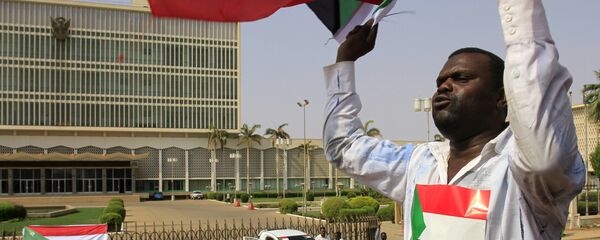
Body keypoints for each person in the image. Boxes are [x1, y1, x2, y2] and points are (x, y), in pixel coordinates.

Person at [322, 0, 585, 239]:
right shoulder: (420, 164)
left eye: (461, 78)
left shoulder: (523, 170)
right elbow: (343, 148)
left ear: (503, 97)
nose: (443, 87)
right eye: (440, 82)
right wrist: (345, 60)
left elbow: (534, 101)